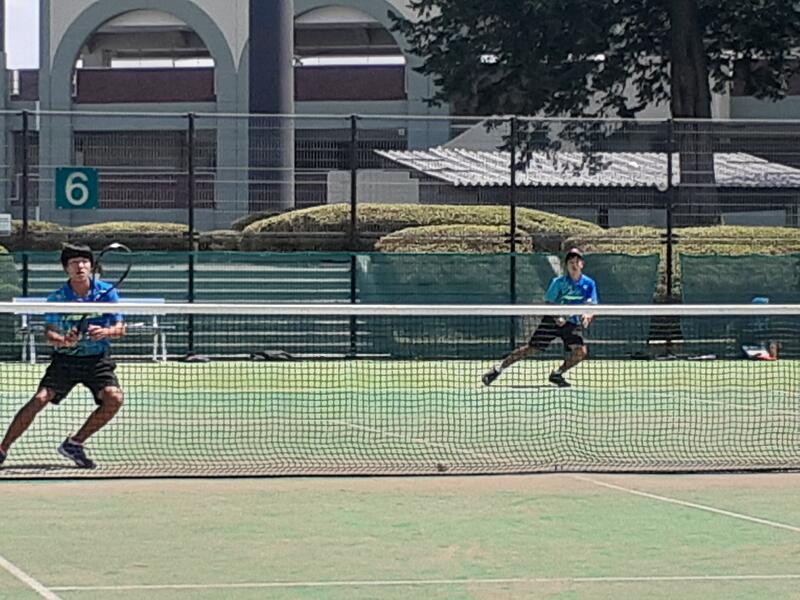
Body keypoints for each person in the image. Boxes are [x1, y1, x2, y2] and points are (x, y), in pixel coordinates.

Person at [0, 243, 126, 469]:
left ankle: (75, 443)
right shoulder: (57, 297)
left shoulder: (107, 293)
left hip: (97, 360)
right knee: (40, 399)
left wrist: (106, 332)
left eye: (84, 262)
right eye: (74, 263)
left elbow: (120, 328)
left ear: (92, 266)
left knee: (114, 398)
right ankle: (2, 448)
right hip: (65, 361)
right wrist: (64, 340)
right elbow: (50, 333)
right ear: (66, 268)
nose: (80, 266)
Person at [482, 247, 598, 388]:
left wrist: (587, 315)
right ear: (566, 266)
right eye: (570, 262)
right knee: (531, 349)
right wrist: (557, 317)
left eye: (576, 262)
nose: (573, 265)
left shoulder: (589, 284)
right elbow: (549, 303)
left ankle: (557, 374)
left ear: (582, 264)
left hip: (572, 324)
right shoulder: (558, 282)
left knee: (580, 352)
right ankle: (498, 369)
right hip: (552, 321)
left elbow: (591, 304)